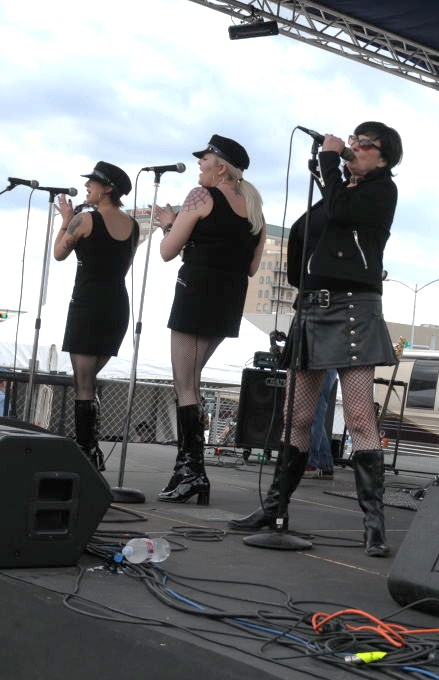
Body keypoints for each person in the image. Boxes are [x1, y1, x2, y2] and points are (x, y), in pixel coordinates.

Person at [230, 122, 402, 558]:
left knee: (359, 417)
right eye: (354, 140)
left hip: (353, 309)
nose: (355, 146)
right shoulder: (337, 192)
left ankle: (374, 524)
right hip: (312, 308)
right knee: (296, 415)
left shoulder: (381, 192)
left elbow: (344, 212)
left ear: (383, 157)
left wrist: (328, 159)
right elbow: (308, 230)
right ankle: (275, 508)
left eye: (365, 144)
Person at [152, 135, 266, 505]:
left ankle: (192, 472)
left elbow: (167, 251)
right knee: (192, 382)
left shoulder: (200, 197)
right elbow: (252, 268)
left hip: (195, 293)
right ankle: (187, 469)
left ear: (220, 166)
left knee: (185, 383)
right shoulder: (256, 212)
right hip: (228, 301)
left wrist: (169, 225)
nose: (199, 164)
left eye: (205, 158)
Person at [54, 162, 139, 470]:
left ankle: (87, 452)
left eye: (92, 182)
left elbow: (59, 253)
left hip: (87, 304)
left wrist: (66, 221)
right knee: (87, 381)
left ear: (107, 189)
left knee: (84, 383)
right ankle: (90, 449)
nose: (87, 186)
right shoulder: (134, 226)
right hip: (116, 306)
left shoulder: (85, 219)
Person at [305, 369, 338, 479]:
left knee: (316, 410)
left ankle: (312, 464)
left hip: (324, 363)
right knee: (315, 413)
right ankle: (324, 465)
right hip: (321, 363)